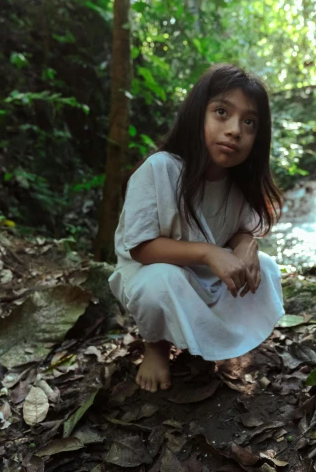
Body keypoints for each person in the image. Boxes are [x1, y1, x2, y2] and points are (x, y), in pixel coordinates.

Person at [108, 64, 286, 393]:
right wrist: (209, 252)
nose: (235, 130)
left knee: (267, 268)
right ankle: (156, 346)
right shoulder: (161, 169)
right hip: (151, 272)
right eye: (222, 112)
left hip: (203, 274)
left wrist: (246, 247)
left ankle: (210, 344)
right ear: (196, 114)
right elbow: (141, 248)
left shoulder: (238, 182)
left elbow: (243, 229)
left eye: (249, 122)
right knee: (161, 281)